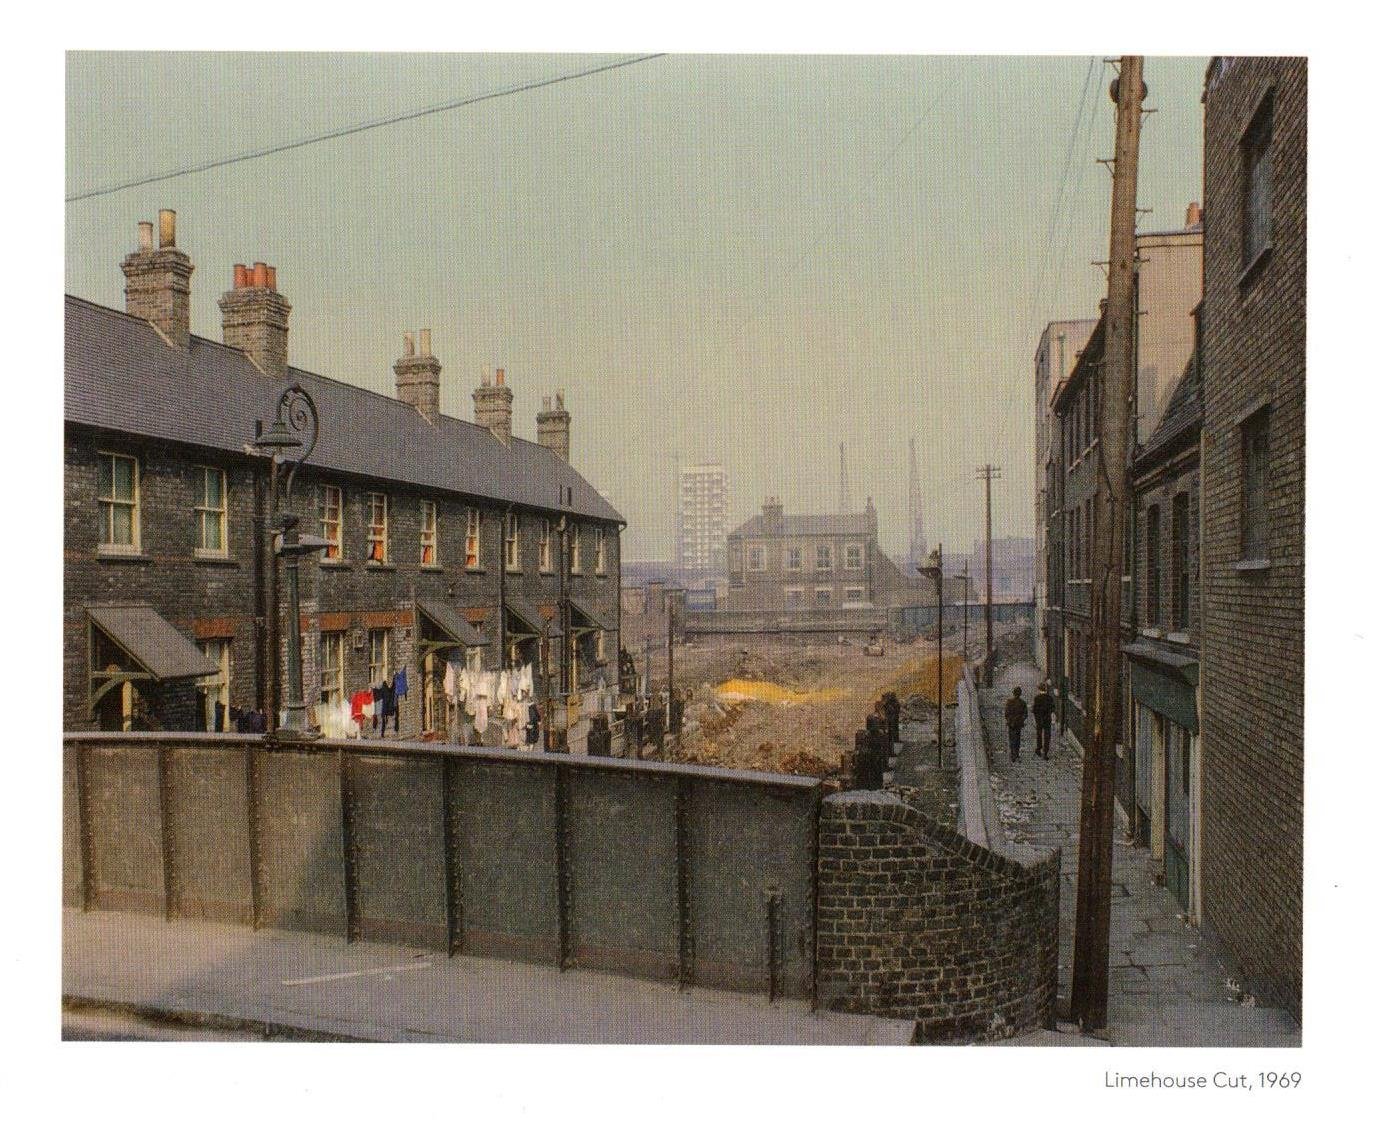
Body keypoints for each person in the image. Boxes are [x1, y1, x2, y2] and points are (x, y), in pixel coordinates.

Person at [1004, 686, 1028, 762]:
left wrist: (1009, 720)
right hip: (1018, 724)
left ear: (1013, 693)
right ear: (1020, 694)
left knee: (1011, 739)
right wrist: (1021, 720)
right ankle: (1016, 753)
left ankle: (1012, 754)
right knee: (1017, 739)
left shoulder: (1009, 702)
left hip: (1011, 723)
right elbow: (1025, 714)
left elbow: (1006, 713)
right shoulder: (1023, 703)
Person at [1032, 681, 1055, 759]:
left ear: (1039, 689)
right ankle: (1045, 752)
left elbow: (1034, 709)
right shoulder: (1049, 698)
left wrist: (1036, 718)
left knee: (1039, 734)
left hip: (1039, 719)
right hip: (1047, 719)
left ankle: (1039, 749)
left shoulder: (1037, 698)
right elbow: (1052, 708)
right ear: (1045, 689)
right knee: (1047, 735)